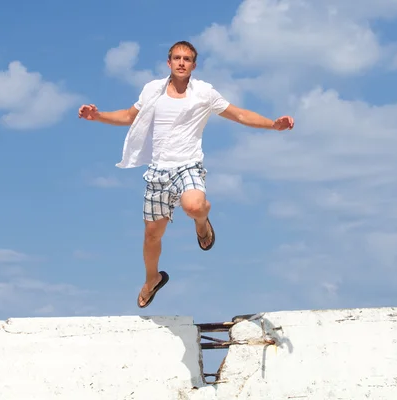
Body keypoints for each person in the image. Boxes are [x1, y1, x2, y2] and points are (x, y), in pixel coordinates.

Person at [78, 41, 294, 308]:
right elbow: (127, 116)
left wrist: (273, 125)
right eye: (177, 58)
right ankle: (152, 279)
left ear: (194, 64)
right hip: (158, 171)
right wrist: (97, 116)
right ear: (169, 62)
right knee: (152, 236)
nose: (182, 62)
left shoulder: (204, 93)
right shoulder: (152, 91)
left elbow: (239, 114)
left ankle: (201, 221)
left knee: (193, 205)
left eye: (187, 59)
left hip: (188, 165)